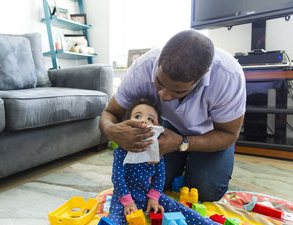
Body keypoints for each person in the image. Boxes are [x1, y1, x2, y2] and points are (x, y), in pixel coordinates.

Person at [99, 30, 246, 202]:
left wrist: (182, 143)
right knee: (146, 179)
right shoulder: (142, 68)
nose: (164, 95)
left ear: (204, 75)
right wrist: (112, 130)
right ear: (159, 60)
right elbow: (109, 113)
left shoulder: (228, 76)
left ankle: (190, 161)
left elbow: (229, 134)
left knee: (206, 190)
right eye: (159, 83)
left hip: (212, 133)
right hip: (168, 127)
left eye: (178, 91)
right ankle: (181, 162)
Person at [97, 98, 226, 225]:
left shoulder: (156, 150)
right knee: (115, 215)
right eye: (137, 117)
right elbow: (117, 178)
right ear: (128, 123)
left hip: (147, 194)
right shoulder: (122, 150)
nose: (143, 121)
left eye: (150, 119)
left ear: (158, 127)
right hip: (124, 196)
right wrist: (127, 202)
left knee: (176, 206)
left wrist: (153, 197)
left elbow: (159, 176)